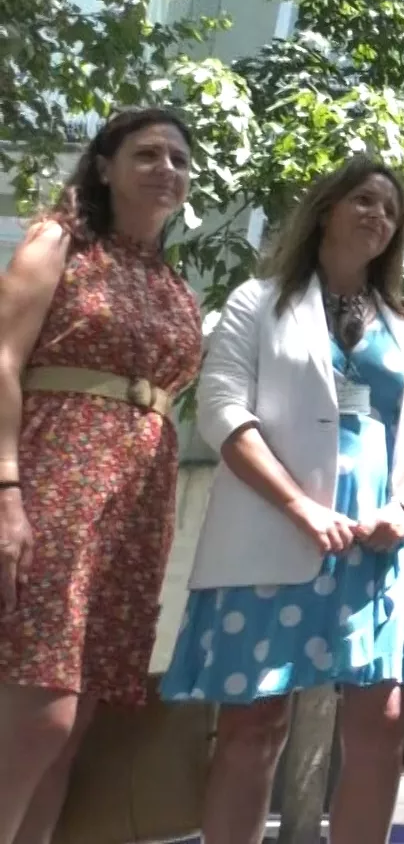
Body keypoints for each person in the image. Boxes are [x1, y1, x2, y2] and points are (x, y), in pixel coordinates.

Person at [161, 158, 404, 844]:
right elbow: (222, 411)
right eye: (364, 199)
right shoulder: (256, 303)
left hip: (377, 542)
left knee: (380, 725)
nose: (379, 215)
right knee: (253, 726)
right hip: (271, 531)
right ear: (325, 210)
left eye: (391, 209)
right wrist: (301, 508)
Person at [0, 107, 201, 844]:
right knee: (38, 706)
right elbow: (3, 359)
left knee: (74, 724)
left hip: (138, 503)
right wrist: (6, 489)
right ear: (106, 166)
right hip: (58, 477)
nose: (166, 169)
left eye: (179, 159)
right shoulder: (59, 242)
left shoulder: (173, 282)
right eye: (147, 154)